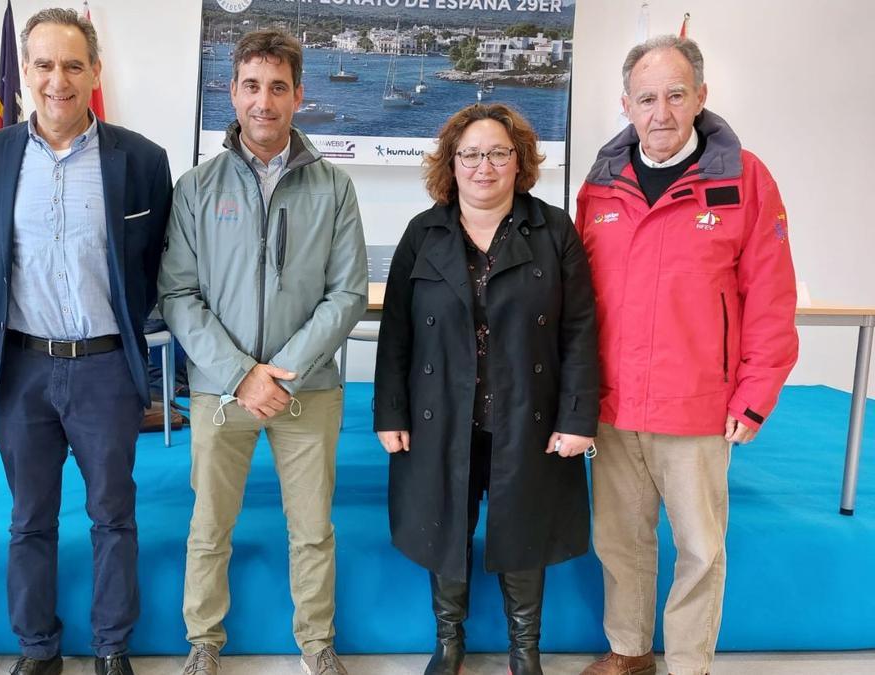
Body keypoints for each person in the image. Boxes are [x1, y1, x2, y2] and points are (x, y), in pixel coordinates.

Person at [575, 36, 798, 675]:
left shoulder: (743, 178)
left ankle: (688, 664)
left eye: (676, 95)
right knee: (620, 542)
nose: (662, 112)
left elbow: (771, 298)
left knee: (700, 549)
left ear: (701, 97)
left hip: (698, 404)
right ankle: (628, 652)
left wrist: (755, 395)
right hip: (614, 404)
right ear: (626, 105)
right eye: (647, 98)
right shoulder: (600, 185)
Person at [0, 8, 172, 675]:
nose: (59, 79)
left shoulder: (141, 159)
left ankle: (112, 645)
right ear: (25, 72)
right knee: (29, 519)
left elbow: (154, 265)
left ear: (95, 71)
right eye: (45, 65)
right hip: (23, 368)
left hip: (106, 369)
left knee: (113, 515)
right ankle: (38, 648)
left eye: (73, 65)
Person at [159, 28, 367, 675]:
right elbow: (178, 294)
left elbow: (347, 293)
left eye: (278, 87)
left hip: (308, 391)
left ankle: (316, 642)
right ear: (233, 92)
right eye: (252, 85)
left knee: (311, 529)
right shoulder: (197, 187)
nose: (264, 100)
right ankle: (203, 641)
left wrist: (283, 371)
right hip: (222, 391)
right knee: (209, 525)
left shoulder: (333, 188)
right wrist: (240, 374)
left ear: (299, 95)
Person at [373, 103, 599, 675]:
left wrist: (577, 417)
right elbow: (395, 329)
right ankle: (449, 643)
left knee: (525, 528)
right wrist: (389, 412)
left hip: (529, 414)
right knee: (443, 524)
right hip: (440, 414)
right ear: (451, 163)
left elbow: (579, 329)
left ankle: (526, 652)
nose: (483, 166)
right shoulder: (422, 233)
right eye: (470, 154)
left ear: (518, 161)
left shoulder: (554, 230)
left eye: (498, 153)